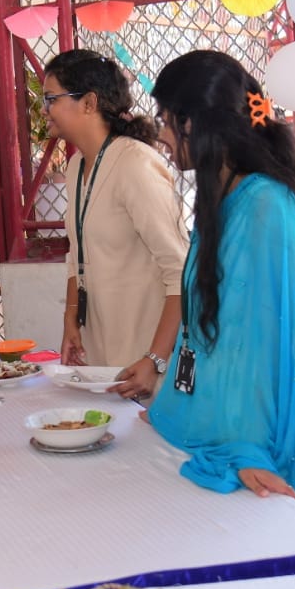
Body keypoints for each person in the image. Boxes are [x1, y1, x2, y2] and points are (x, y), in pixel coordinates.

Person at [145, 50, 295, 527]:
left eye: (166, 119)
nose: (161, 133)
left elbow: (257, 348)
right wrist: (173, 406)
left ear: (195, 123)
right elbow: (205, 331)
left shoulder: (264, 205)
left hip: (263, 413)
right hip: (236, 408)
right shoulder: (225, 195)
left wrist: (246, 449)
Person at [39, 50, 186, 397]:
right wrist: (70, 322)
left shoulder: (135, 164)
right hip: (101, 354)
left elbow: (180, 270)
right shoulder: (77, 167)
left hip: (145, 360)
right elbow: (77, 256)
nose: (44, 110)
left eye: (51, 99)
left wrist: (155, 359)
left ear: (89, 103)